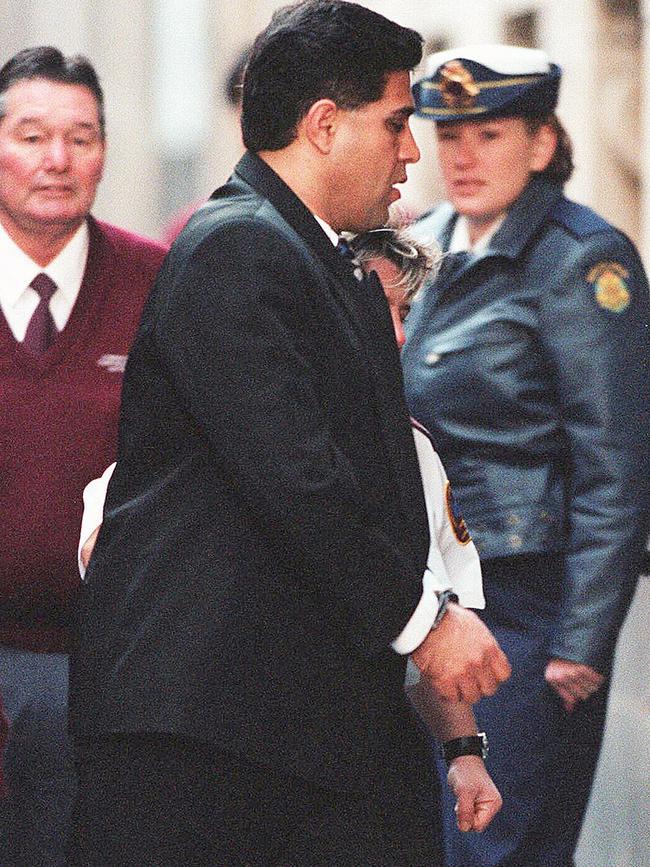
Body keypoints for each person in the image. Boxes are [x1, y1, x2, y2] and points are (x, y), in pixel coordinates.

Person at [68, 4, 510, 865]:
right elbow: (298, 478)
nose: (411, 152)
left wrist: (456, 736)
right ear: (323, 127)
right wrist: (428, 624)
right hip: (200, 748)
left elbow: (375, 490)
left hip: (287, 734)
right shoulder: (236, 249)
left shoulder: (316, 258)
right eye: (398, 123)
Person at [402, 44, 650, 867]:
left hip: (525, 602)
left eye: (491, 134)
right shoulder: (426, 242)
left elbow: (616, 462)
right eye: (449, 135)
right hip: (433, 596)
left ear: (542, 144)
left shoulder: (584, 258)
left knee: (496, 844)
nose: (463, 157)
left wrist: (582, 636)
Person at [0, 46, 167, 867]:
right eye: (31, 134)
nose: (57, 161)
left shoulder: (160, 285)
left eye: (82, 136)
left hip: (115, 677)